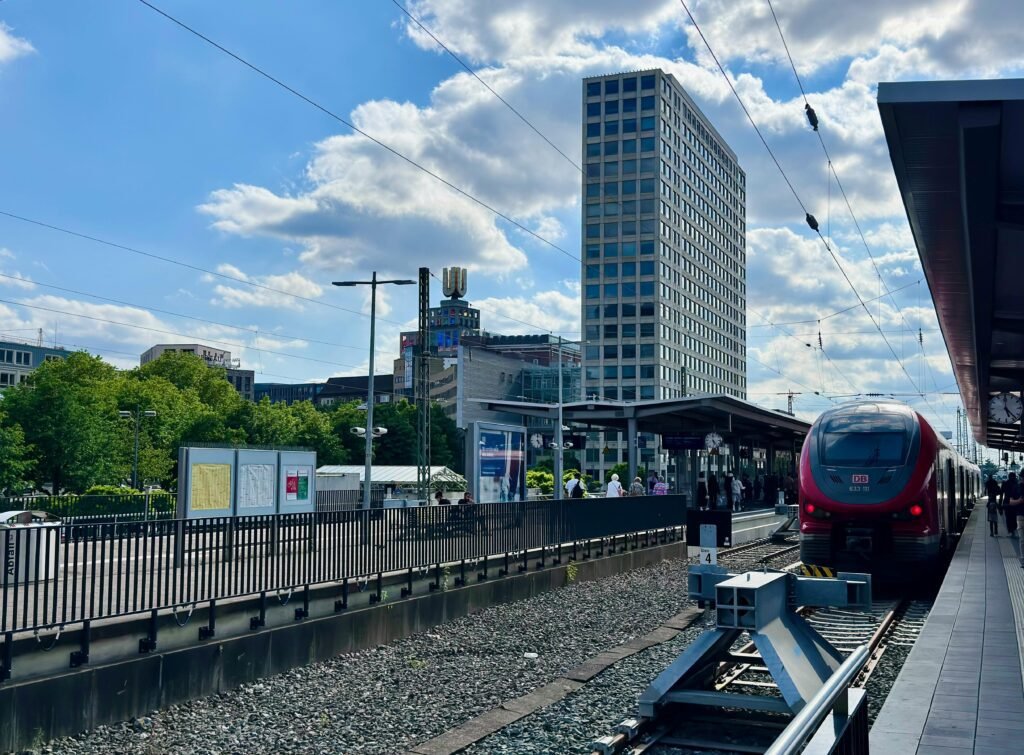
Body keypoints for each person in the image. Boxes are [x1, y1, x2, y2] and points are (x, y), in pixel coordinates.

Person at [1003, 473, 1021, 538]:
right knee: (1013, 518)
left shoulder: (1005, 483)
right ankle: (1012, 530)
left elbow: (1002, 494)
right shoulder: (1017, 484)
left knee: (1009, 518)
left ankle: (1011, 531)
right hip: (1014, 503)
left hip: (1008, 503)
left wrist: (1000, 505)